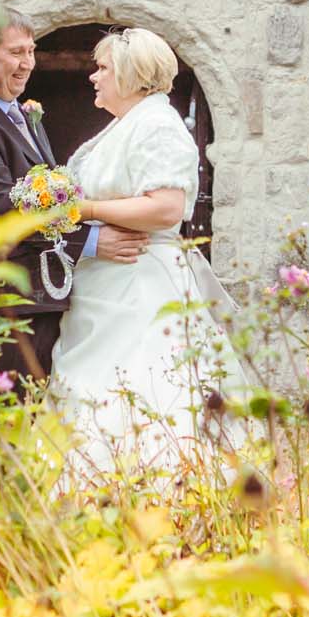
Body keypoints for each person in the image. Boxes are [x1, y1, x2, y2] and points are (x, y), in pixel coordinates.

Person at [48, 27, 232, 479]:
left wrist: (84, 209)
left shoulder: (157, 124)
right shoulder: (128, 123)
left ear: (131, 75)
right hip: (108, 283)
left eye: (103, 68)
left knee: (148, 387)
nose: (94, 77)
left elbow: (167, 207)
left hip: (141, 285)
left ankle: (157, 488)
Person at [0, 11, 142, 380]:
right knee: (6, 424)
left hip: (39, 300)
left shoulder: (24, 115)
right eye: (16, 52)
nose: (27, 63)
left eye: (31, 51)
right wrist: (91, 241)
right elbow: (1, 210)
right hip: (0, 305)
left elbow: (48, 201)